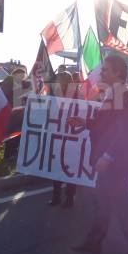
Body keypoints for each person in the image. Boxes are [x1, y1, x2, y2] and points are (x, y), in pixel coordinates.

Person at [68, 55, 128, 254]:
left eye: (105, 70)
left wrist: (108, 156)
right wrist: (85, 122)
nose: (101, 74)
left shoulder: (124, 94)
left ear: (118, 73)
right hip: (112, 161)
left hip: (117, 162)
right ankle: (94, 242)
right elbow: (106, 126)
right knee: (102, 203)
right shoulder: (113, 93)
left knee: (123, 207)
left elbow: (123, 131)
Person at [48, 71, 78, 208]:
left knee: (70, 167)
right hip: (57, 134)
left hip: (71, 135)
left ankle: (70, 198)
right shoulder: (54, 92)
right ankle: (56, 196)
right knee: (56, 166)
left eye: (59, 79)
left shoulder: (77, 93)